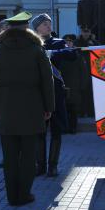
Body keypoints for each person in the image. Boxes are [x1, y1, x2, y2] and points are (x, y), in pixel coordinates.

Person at [0, 12, 55, 206]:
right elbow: (46, 82)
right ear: (27, 29)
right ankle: (24, 194)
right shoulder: (36, 50)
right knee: (28, 155)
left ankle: (11, 196)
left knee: (9, 157)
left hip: (6, 106)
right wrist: (49, 106)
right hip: (33, 106)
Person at [32, 13, 76, 176]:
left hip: (55, 90)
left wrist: (54, 53)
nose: (48, 26)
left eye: (49, 23)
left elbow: (73, 55)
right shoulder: (31, 43)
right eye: (44, 24)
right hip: (37, 91)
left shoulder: (58, 42)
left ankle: (53, 166)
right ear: (36, 27)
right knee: (39, 130)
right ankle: (40, 165)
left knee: (56, 130)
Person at [61, 34, 88, 134]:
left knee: (73, 109)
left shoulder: (78, 56)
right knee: (63, 108)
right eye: (66, 41)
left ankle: (73, 128)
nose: (68, 43)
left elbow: (83, 72)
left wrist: (82, 86)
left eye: (70, 41)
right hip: (63, 86)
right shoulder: (60, 55)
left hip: (75, 86)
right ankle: (64, 127)